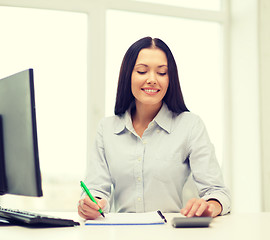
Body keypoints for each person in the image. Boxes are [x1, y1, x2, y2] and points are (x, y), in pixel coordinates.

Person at [78, 37, 231, 220]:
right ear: (129, 75)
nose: (152, 80)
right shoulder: (107, 128)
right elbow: (96, 189)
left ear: (170, 78)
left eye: (161, 73)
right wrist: (92, 204)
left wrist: (210, 206)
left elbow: (217, 192)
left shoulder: (190, 125)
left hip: (170, 233)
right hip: (121, 232)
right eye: (142, 71)